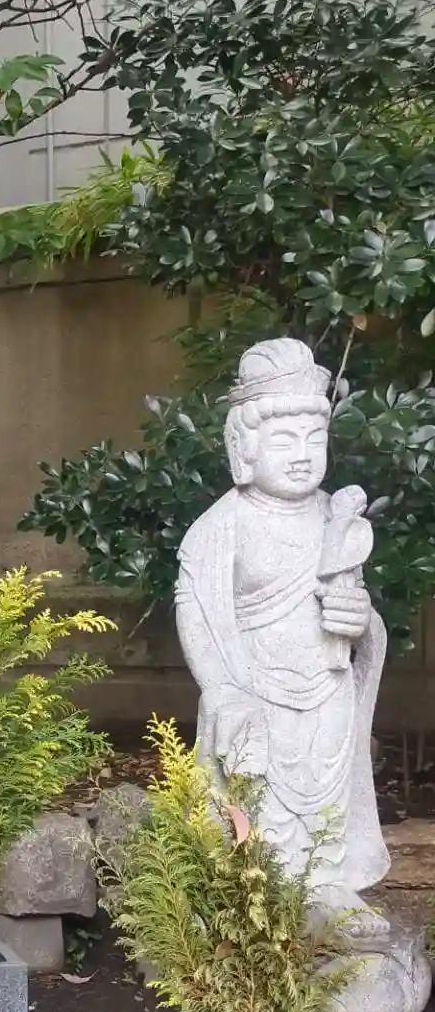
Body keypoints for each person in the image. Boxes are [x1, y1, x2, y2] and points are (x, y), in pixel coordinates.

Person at [175, 339, 388, 916]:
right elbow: (197, 611)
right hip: (258, 690)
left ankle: (326, 887)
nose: (301, 455)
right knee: (263, 801)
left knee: (327, 794)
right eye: (283, 439)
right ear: (244, 449)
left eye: (314, 439)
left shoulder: (334, 518)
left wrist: (359, 619)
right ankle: (262, 895)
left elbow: (354, 603)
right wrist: (223, 690)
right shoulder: (223, 525)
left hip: (328, 684)